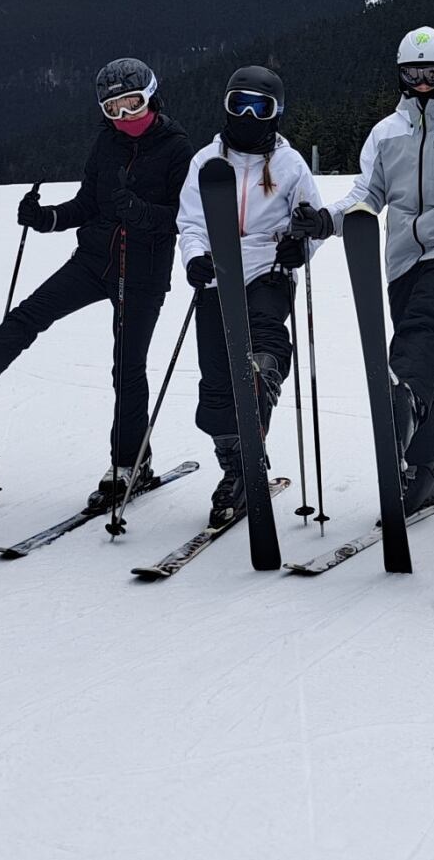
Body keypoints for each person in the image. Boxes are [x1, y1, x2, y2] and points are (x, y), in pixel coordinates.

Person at [0, 58, 191, 511]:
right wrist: (46, 218)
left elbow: (183, 219)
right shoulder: (105, 145)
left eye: (132, 105)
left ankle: (130, 463)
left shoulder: (178, 148)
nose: (125, 117)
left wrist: (141, 213)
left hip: (143, 272)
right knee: (29, 315)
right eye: (114, 109)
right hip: (93, 260)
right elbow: (87, 205)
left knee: (126, 367)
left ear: (151, 97)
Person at [288, 28, 434, 513]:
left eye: (433, 73)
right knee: (412, 354)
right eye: (413, 74)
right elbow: (366, 196)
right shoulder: (387, 133)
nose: (423, 83)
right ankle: (423, 469)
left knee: (422, 328)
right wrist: (326, 220)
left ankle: (405, 404)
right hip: (401, 258)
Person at [173, 66, 322, 527]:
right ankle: (238, 471)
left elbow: (310, 218)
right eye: (240, 104)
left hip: (266, 270)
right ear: (226, 106)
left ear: (277, 113)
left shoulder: (290, 165)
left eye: (262, 107)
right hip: (217, 276)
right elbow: (192, 222)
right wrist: (195, 256)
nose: (249, 115)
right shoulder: (205, 163)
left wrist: (301, 246)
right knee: (216, 384)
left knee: (265, 335)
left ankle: (264, 374)